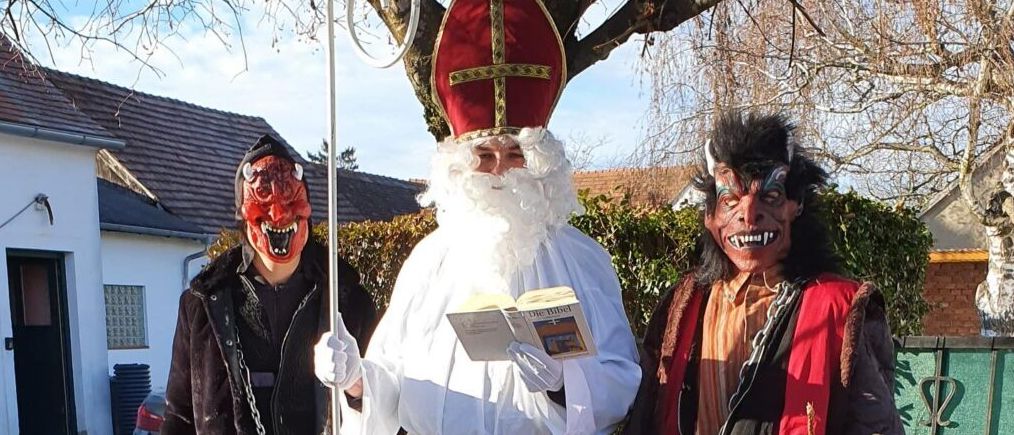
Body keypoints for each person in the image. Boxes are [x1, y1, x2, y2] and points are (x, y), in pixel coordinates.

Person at [312, 0, 640, 433]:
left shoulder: (583, 259)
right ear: (459, 165)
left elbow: (622, 377)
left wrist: (564, 383)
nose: (500, 170)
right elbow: (392, 377)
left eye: (515, 154)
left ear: (542, 163)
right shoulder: (427, 262)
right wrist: (356, 381)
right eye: (484, 155)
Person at [624, 112, 903, 435]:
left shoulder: (839, 307)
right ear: (710, 217)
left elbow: (874, 425)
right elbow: (646, 412)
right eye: (730, 199)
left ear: (796, 206)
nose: (749, 214)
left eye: (769, 197)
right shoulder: (682, 305)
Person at [162, 135, 378, 435]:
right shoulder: (202, 305)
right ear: (243, 216)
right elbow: (179, 416)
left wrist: (358, 384)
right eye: (264, 199)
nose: (279, 213)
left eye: (290, 199)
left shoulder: (350, 301)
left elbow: (391, 407)